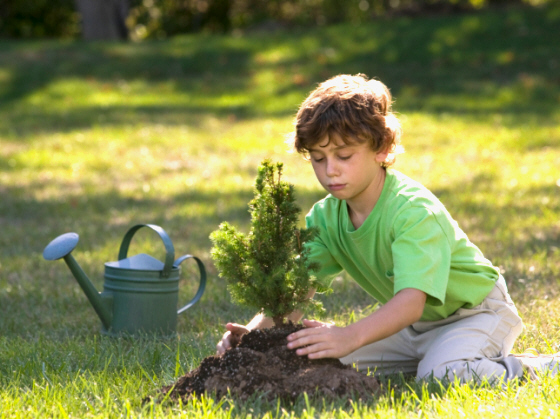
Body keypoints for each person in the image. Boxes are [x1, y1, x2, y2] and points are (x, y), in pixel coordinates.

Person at [216, 74, 555, 383]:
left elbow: (410, 302)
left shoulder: (412, 211)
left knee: (441, 376)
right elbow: (297, 293)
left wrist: (350, 335)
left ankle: (539, 368)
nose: (330, 170)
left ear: (382, 149)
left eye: (344, 155)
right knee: (315, 360)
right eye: (318, 159)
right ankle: (433, 354)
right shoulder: (325, 217)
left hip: (475, 314)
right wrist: (254, 333)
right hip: (411, 328)